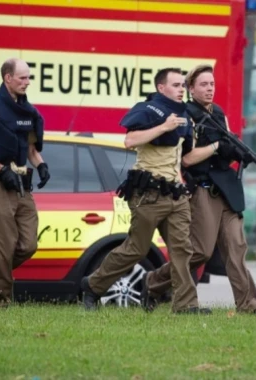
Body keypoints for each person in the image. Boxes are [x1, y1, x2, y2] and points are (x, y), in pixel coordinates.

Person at [142, 64, 256, 315]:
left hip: (227, 189)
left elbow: (225, 148)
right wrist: (216, 147)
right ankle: (153, 282)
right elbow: (188, 159)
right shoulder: (186, 115)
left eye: (212, 84)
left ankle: (249, 304)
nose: (209, 89)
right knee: (199, 251)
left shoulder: (219, 114)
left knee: (236, 249)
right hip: (203, 189)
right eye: (203, 84)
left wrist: (235, 152)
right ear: (191, 89)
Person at [80, 68, 205, 314]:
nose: (182, 89)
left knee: (182, 249)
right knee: (136, 249)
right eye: (176, 85)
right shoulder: (148, 109)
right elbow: (130, 140)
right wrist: (163, 127)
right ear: (161, 88)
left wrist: (217, 147)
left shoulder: (185, 117)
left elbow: (184, 157)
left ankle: (186, 306)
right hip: (149, 194)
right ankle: (93, 286)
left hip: (175, 194)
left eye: (183, 85)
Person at [0, 58, 51, 309]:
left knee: (28, 245)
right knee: (6, 246)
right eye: (22, 78)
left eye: (29, 77)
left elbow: (31, 149)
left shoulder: (28, 112)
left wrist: (41, 165)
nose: (27, 82)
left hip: (22, 185)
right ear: (7, 78)